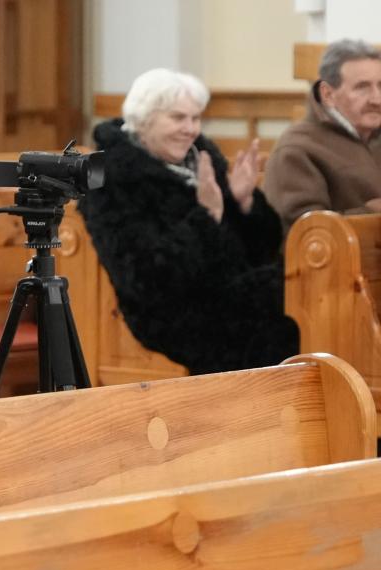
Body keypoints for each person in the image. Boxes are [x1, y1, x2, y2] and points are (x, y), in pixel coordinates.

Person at [79, 68, 298, 375]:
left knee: (304, 292)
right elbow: (143, 279)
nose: (190, 129)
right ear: (144, 119)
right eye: (178, 118)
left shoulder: (203, 159)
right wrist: (206, 217)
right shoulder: (111, 180)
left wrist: (243, 203)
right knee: (286, 313)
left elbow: (261, 250)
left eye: (196, 118)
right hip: (173, 310)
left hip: (229, 290)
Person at [264, 39, 381, 228]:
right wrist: (371, 214)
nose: (376, 99)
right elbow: (304, 231)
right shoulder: (297, 148)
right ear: (328, 95)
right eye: (362, 87)